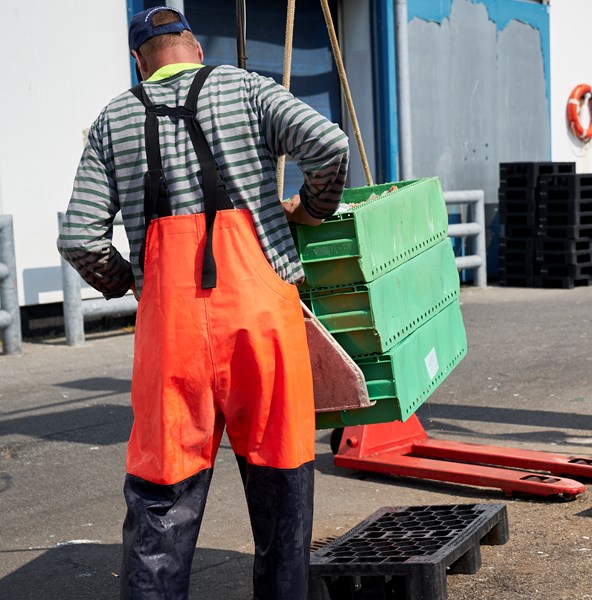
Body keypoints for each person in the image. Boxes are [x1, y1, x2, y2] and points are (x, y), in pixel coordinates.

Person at [57, 7, 349, 599]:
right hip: (263, 326)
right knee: (281, 488)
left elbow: (80, 236)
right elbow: (329, 143)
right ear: (192, 45)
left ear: (139, 62)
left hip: (173, 336)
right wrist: (311, 210)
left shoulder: (113, 120)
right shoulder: (246, 89)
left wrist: (130, 281)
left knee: (162, 497)